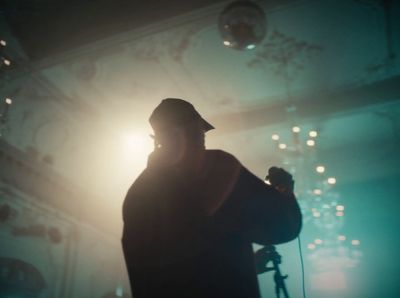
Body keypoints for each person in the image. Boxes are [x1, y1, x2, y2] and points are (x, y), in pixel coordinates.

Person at [122, 98, 302, 298]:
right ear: (190, 130)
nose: (202, 137)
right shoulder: (213, 168)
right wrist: (284, 189)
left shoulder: (137, 195)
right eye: (200, 130)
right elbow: (283, 226)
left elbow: (178, 264)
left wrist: (244, 264)